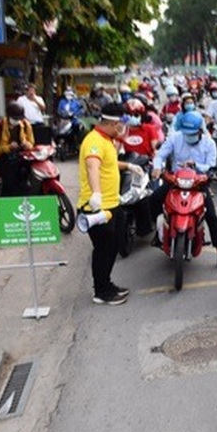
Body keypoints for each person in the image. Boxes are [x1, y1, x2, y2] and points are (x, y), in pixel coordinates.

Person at [149, 111, 217, 268]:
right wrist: (157, 167)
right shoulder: (175, 138)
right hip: (176, 181)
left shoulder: (209, 143)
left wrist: (196, 165)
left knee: (212, 216)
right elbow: (160, 155)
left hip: (198, 183)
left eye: (192, 133)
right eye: (186, 133)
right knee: (153, 199)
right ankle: (160, 228)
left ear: (200, 130)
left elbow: (211, 165)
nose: (189, 136)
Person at [78, 103, 139, 305]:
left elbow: (109, 164)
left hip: (112, 204)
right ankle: (101, 291)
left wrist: (130, 165)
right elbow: (92, 166)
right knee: (104, 249)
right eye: (120, 125)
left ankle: (106, 284)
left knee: (112, 247)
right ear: (113, 123)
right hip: (97, 207)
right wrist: (96, 193)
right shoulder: (94, 141)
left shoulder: (107, 140)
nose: (122, 129)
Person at [0, 102, 35, 196]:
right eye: (15, 118)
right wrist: (8, 147)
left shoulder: (26, 125)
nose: (17, 121)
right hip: (3, 157)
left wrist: (27, 145)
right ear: (8, 116)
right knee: (10, 177)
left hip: (22, 156)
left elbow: (32, 143)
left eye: (19, 118)